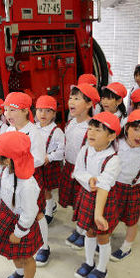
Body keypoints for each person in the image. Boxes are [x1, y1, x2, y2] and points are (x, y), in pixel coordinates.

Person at [0, 131, 42, 278]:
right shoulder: (3, 171)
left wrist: (18, 233)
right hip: (6, 215)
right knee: (13, 253)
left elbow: (29, 212)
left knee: (26, 256)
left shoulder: (27, 185)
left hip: (21, 224)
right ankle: (20, 273)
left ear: (9, 159)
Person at [72, 112, 121, 278]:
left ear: (111, 136)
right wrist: (88, 179)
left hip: (104, 201)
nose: (91, 133)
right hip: (87, 195)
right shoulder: (85, 150)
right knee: (89, 232)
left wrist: (98, 214)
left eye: (98, 130)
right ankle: (89, 262)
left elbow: (104, 187)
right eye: (90, 128)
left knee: (102, 237)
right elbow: (77, 171)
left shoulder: (113, 159)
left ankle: (101, 268)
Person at [3, 92, 50, 265]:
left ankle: (45, 247)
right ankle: (23, 237)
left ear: (25, 111)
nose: (8, 115)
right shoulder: (8, 129)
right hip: (13, 177)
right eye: (6, 110)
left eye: (13, 110)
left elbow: (38, 158)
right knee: (20, 210)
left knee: (37, 213)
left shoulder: (34, 133)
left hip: (31, 176)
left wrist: (17, 162)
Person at [110, 110, 140, 262]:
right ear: (126, 128)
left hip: (134, 189)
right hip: (114, 187)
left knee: (132, 220)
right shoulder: (116, 144)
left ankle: (126, 247)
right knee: (110, 217)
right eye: (136, 129)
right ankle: (104, 241)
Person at [61, 83, 100, 250]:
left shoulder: (92, 127)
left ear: (90, 104)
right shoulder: (71, 123)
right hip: (69, 168)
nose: (72, 101)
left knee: (84, 203)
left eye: (77, 98)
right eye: (71, 98)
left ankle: (85, 232)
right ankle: (79, 228)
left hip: (84, 173)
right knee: (74, 202)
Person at [35, 95, 65, 226]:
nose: (43, 114)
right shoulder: (34, 127)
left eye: (48, 111)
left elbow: (62, 150)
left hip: (48, 165)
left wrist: (50, 157)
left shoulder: (56, 131)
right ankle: (50, 205)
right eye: (40, 110)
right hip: (36, 165)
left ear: (54, 114)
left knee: (47, 190)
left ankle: (48, 212)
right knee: (38, 189)